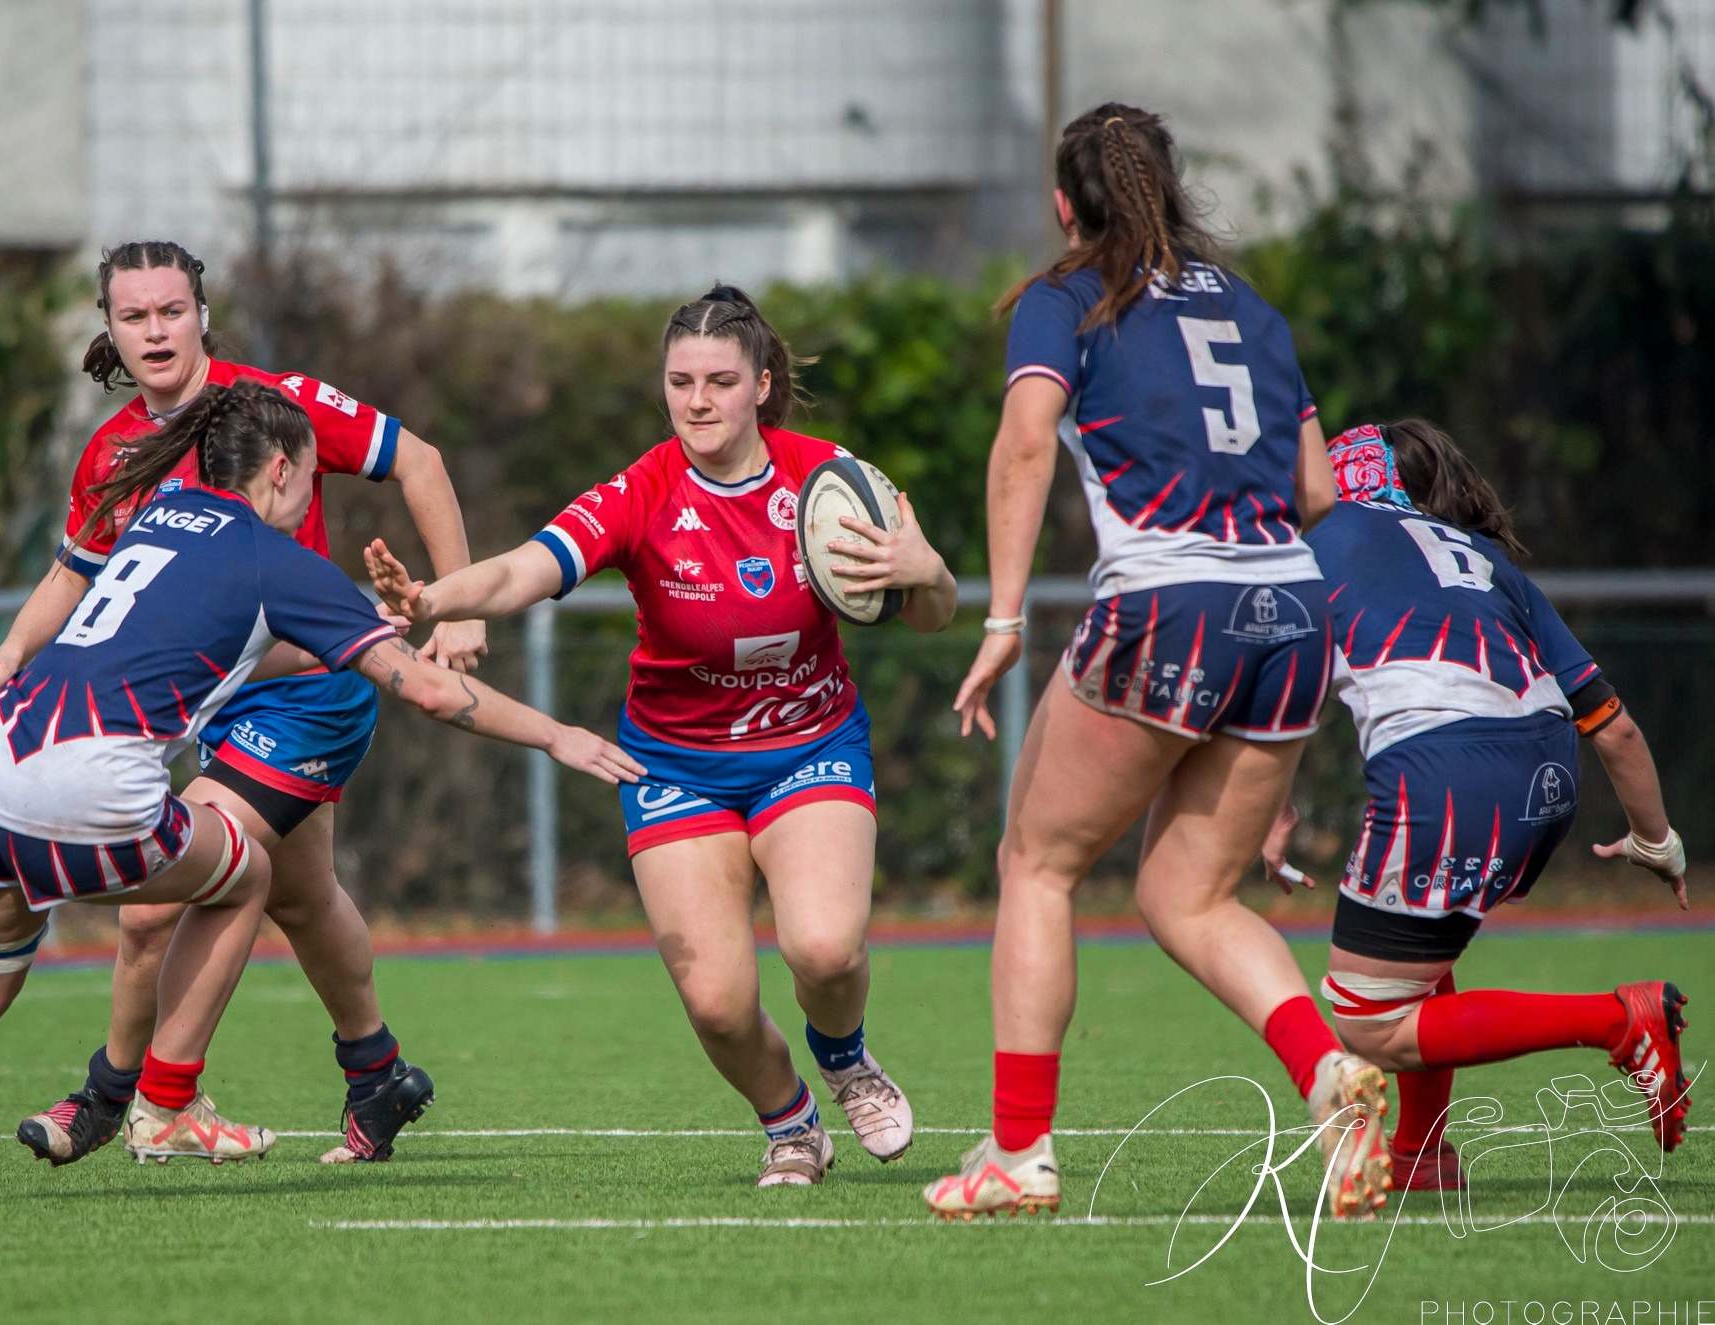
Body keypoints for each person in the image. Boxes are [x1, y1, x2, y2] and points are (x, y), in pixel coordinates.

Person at [0, 382, 638, 1204]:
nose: (308, 501)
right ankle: (166, 1102)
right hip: (87, 783)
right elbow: (435, 694)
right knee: (245, 871)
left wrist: (360, 631)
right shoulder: (277, 558)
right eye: (308, 479)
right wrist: (557, 733)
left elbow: (230, 640)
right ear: (283, 470)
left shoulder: (159, 512)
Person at [365, 284, 958, 1186]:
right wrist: (431, 599)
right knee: (718, 1003)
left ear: (762, 384)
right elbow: (527, 567)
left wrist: (930, 570)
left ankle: (843, 1057)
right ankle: (792, 1125)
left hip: (809, 744)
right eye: (681, 381)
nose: (698, 400)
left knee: (826, 947)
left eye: (721, 380)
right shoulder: (641, 493)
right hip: (675, 763)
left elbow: (925, 614)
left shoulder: (828, 480)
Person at [925, 103, 1391, 1222]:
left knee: (1037, 862)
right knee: (1187, 893)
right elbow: (1321, 494)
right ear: (1173, 188)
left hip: (1169, 603)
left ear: (1062, 203)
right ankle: (1332, 1076)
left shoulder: (1064, 298)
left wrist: (999, 624)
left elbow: (1025, 441)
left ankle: (1020, 1152)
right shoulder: (1257, 310)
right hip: (1289, 607)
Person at [0, 240, 487, 1167]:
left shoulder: (275, 407)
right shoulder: (114, 449)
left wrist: (456, 602)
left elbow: (421, 460)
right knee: (299, 890)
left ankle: (115, 1095)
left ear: (203, 315)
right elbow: (73, 570)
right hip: (204, 699)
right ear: (111, 330)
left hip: (306, 690)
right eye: (135, 316)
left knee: (159, 899)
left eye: (173, 310)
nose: (156, 330)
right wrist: (13, 647)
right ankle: (378, 1074)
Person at [1258, 419, 1691, 1191]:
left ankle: (1618, 1021)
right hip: (1548, 775)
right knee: (1417, 965)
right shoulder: (1481, 557)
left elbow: (1277, 698)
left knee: (1370, 1022)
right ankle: (1422, 1156)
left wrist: (1274, 810)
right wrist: (1657, 842)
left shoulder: (1313, 549)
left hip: (1444, 774)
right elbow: (1615, 727)